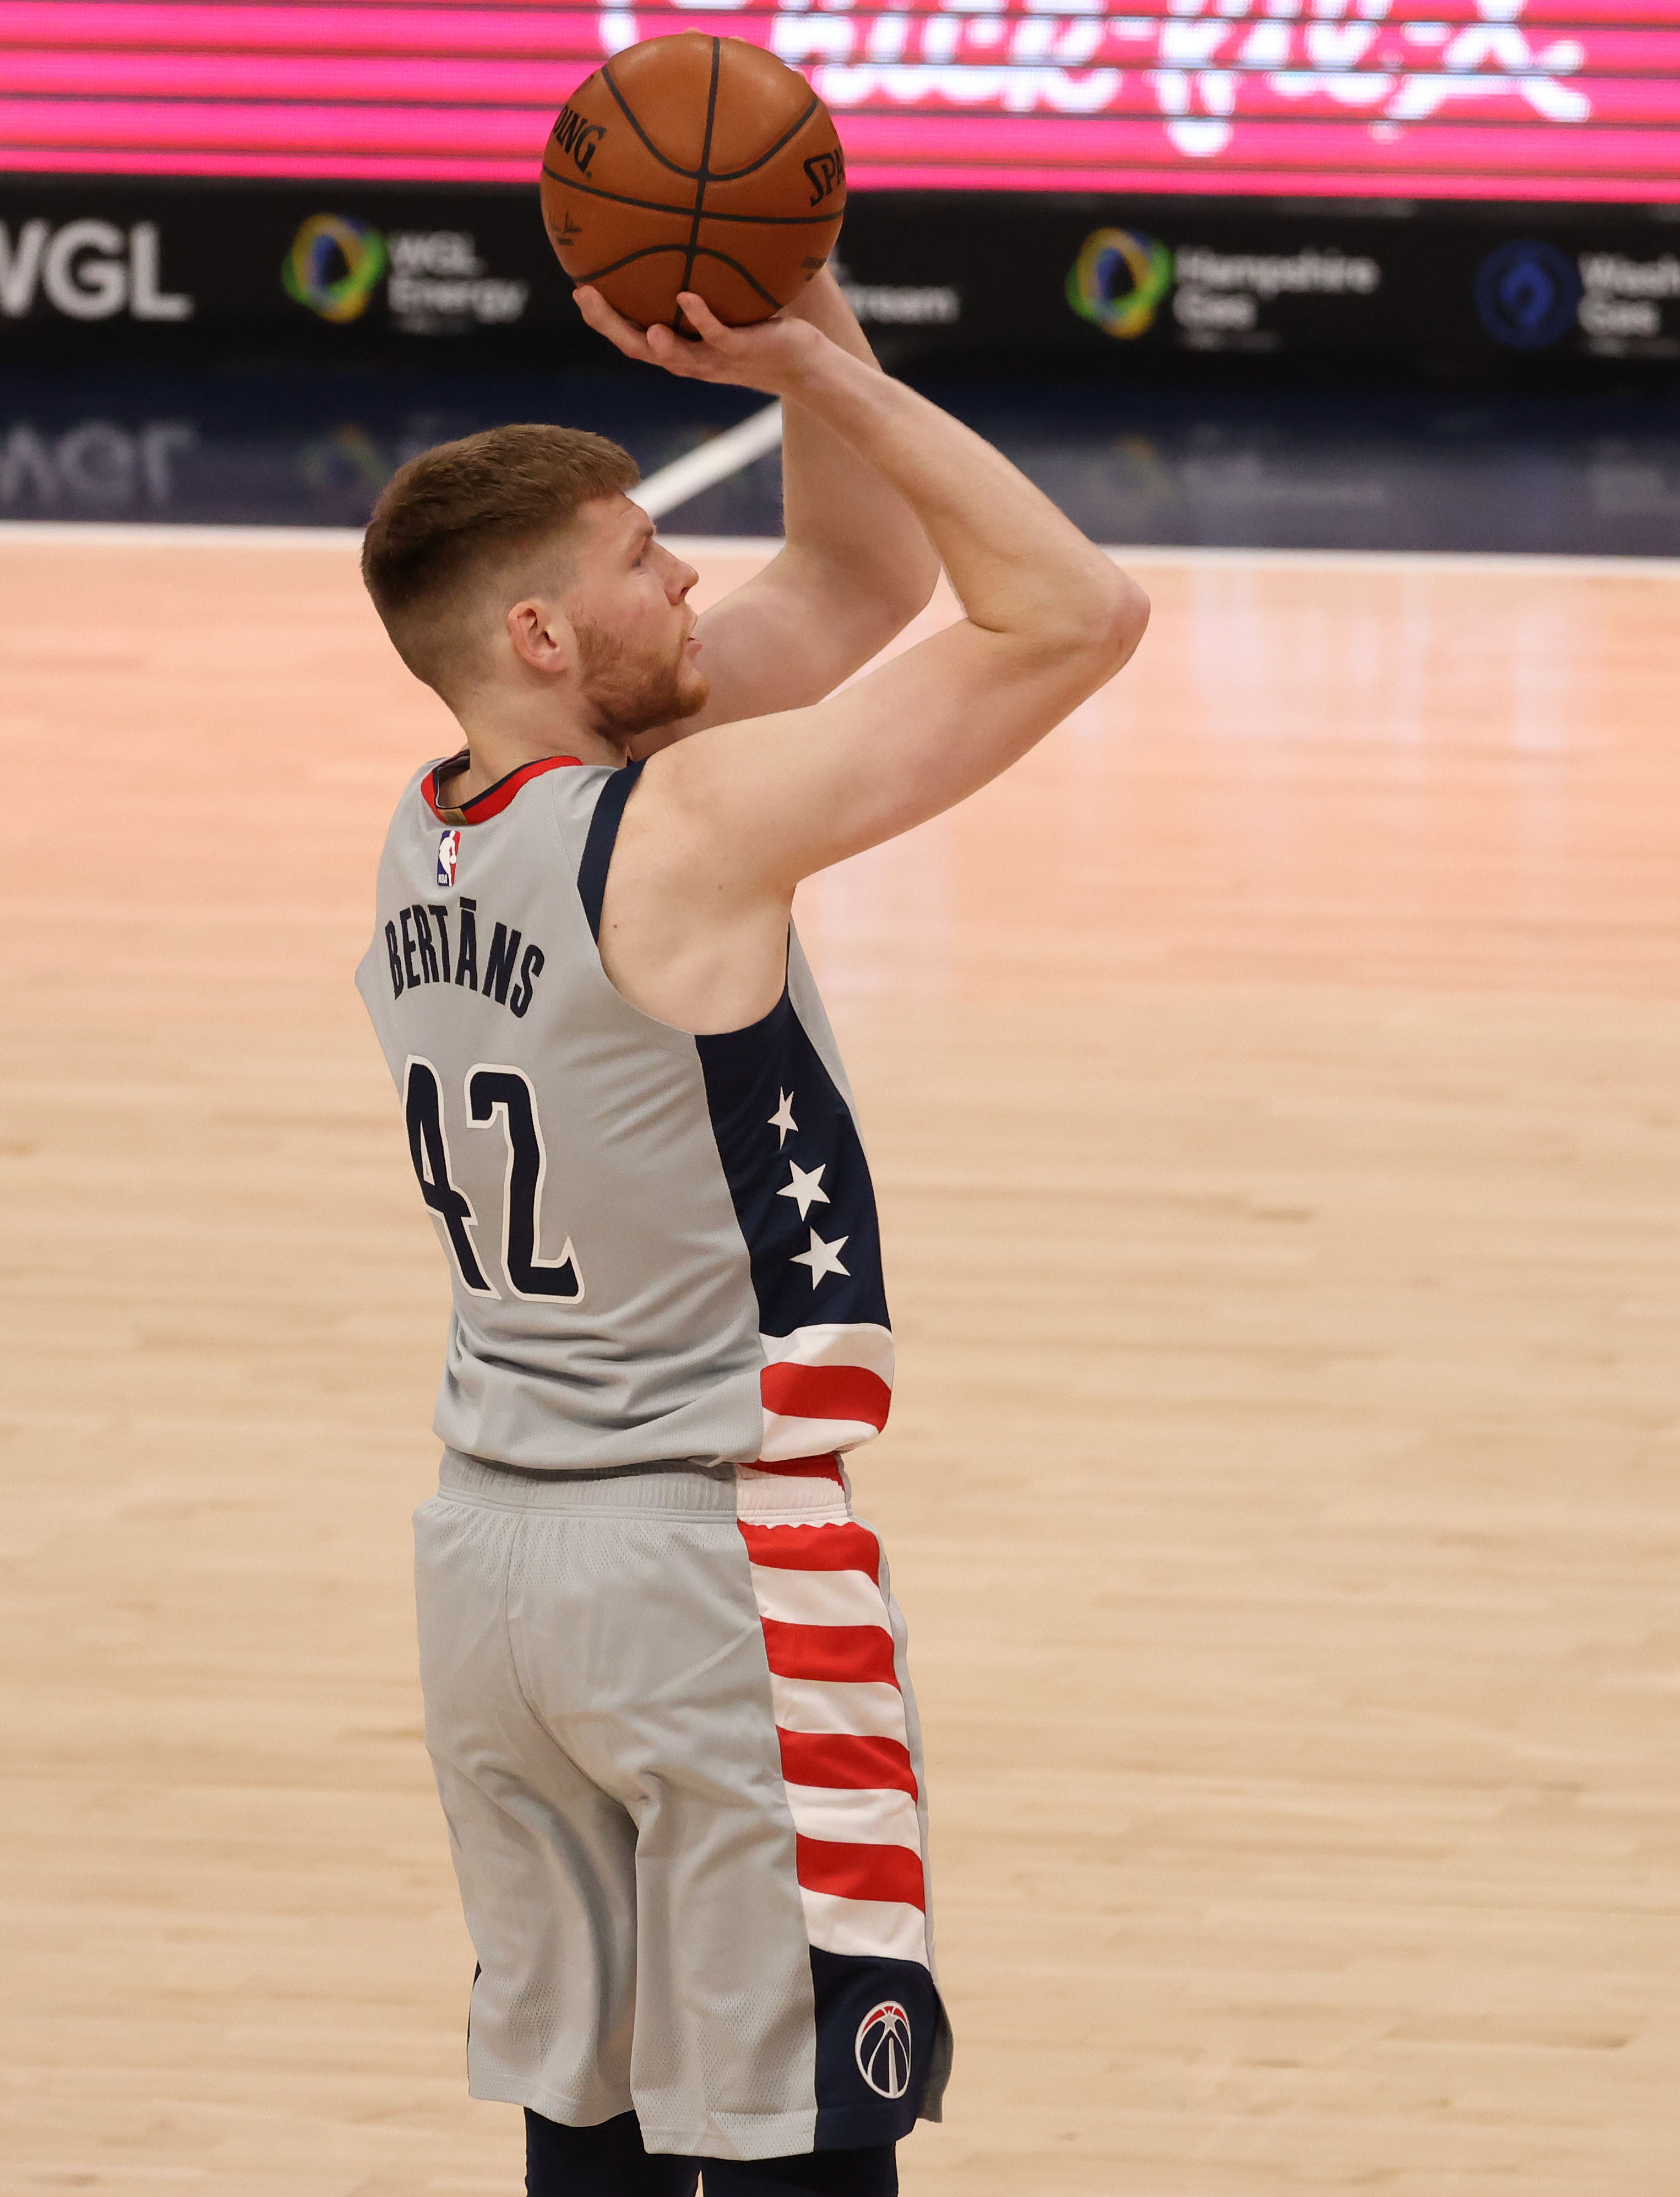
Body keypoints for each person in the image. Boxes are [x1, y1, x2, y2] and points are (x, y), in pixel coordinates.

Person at [352, 273, 1148, 2195]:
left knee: (595, 2123)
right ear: (543, 630)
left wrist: (819, 313)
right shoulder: (683, 828)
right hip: (706, 1564)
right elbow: (1074, 611)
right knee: (802, 2130)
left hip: (491, 1562)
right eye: (646, 560)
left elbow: (853, 578)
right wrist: (797, 366)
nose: (693, 584)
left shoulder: (436, 816)